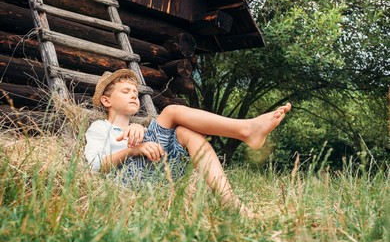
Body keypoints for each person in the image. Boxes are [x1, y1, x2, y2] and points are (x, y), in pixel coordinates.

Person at [84, 69, 291, 218]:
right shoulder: (100, 127)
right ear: (106, 101)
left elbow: (149, 143)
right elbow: (95, 166)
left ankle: (229, 200)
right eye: (125, 91)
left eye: (135, 93)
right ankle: (246, 130)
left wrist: (140, 136)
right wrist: (133, 150)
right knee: (171, 112)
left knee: (185, 132)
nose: (133, 95)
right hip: (125, 184)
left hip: (158, 178)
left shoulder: (141, 130)